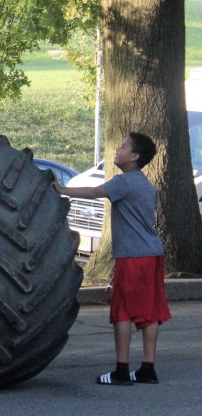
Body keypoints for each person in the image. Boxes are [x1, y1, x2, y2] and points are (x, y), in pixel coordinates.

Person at [54, 133, 171, 386]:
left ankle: (121, 370)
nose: (117, 150)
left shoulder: (124, 181)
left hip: (132, 256)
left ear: (135, 157)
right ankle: (148, 368)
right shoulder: (144, 183)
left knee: (122, 311)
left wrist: (63, 189)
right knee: (151, 311)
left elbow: (96, 191)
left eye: (123, 147)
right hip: (153, 253)